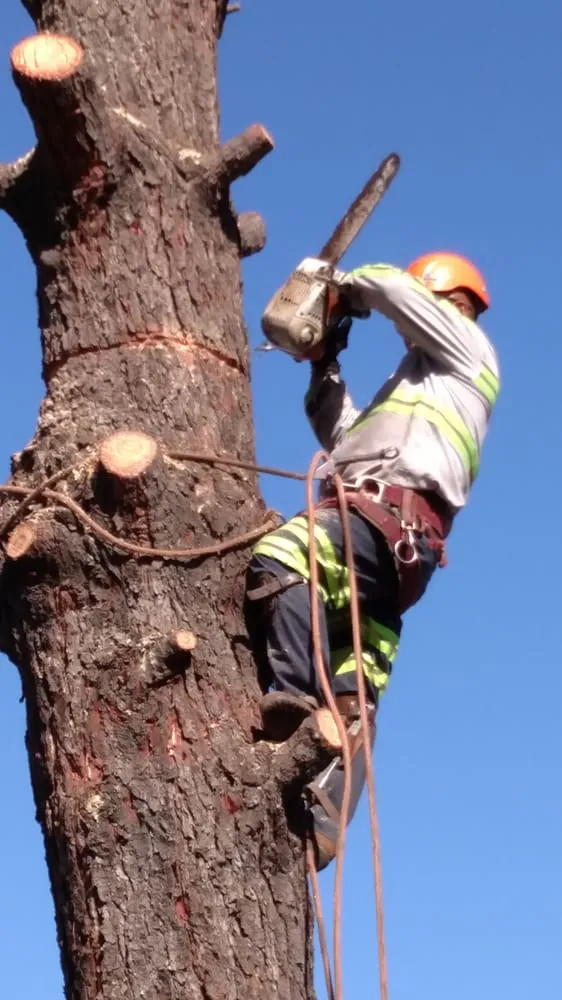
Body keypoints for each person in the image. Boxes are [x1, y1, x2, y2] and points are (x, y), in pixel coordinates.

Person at [246, 252, 500, 869]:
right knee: (355, 684)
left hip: (385, 526)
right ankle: (327, 799)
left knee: (282, 555)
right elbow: (343, 438)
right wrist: (325, 362)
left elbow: (391, 289)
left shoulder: (469, 354)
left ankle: (293, 708)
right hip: (394, 552)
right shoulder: (412, 392)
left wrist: (345, 288)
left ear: (449, 303)